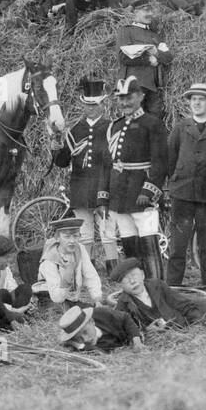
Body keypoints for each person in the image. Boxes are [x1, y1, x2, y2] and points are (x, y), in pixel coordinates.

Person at [51, 77, 118, 271]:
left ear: (103, 104)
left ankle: (113, 269)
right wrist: (56, 149)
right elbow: (63, 162)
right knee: (85, 233)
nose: (91, 109)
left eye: (95, 104)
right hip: (80, 188)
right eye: (87, 105)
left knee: (108, 230)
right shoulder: (75, 131)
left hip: (103, 186)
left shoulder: (111, 128)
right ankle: (86, 269)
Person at [106, 78, 168, 278]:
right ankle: (136, 284)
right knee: (129, 243)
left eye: (129, 97)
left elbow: (160, 162)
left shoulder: (152, 124)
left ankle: (157, 286)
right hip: (120, 194)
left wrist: (149, 190)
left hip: (141, 191)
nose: (124, 103)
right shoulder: (116, 126)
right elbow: (110, 163)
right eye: (121, 98)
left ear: (141, 97)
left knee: (148, 242)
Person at [166, 83, 206, 287]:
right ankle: (172, 285)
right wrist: (174, 182)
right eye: (194, 100)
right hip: (182, 194)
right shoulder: (181, 128)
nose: (197, 103)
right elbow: (170, 157)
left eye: (202, 99)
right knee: (178, 243)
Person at [111, 256, 206, 334]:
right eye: (126, 279)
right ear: (121, 286)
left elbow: (182, 304)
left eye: (134, 275)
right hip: (159, 342)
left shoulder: (158, 285)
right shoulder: (123, 304)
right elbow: (124, 332)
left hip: (182, 327)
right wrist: (146, 331)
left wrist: (199, 321)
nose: (132, 281)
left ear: (142, 274)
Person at [115, 0, 172, 117]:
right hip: (133, 86)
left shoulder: (155, 36)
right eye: (146, 10)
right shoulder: (126, 31)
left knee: (155, 121)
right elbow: (122, 57)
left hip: (153, 88)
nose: (150, 14)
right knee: (135, 123)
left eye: (151, 11)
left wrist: (156, 53)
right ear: (135, 12)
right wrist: (148, 60)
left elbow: (168, 57)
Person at [37, 209, 105, 307]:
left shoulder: (79, 249)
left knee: (99, 311)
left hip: (71, 299)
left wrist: (96, 298)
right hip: (51, 300)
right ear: (57, 238)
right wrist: (66, 278)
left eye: (76, 236)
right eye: (67, 237)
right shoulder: (49, 260)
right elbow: (57, 298)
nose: (72, 241)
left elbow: (90, 275)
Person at [57, 302, 141, 354]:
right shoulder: (83, 347)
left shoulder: (103, 314)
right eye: (79, 338)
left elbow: (126, 318)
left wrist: (136, 339)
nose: (86, 339)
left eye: (85, 332)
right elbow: (101, 354)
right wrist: (78, 345)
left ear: (92, 321)